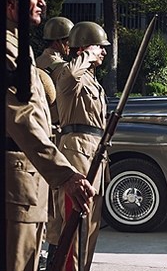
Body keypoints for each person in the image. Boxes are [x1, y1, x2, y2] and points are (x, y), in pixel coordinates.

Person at [5, 0, 95, 271]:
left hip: (30, 181)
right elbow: (22, 120)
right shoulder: (5, 49)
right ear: (10, 1)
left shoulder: (18, 47)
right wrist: (65, 173)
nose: (43, 2)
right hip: (14, 183)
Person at [56, 21, 111, 271]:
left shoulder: (92, 81)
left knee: (89, 231)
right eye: (100, 47)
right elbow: (68, 76)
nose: (104, 52)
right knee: (74, 229)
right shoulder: (71, 75)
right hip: (76, 156)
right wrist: (86, 55)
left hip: (95, 157)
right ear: (85, 48)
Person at [35, 16, 75, 266]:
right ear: (60, 42)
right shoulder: (61, 69)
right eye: (68, 42)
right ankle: (54, 260)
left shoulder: (35, 62)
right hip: (56, 138)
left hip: (37, 136)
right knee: (57, 211)